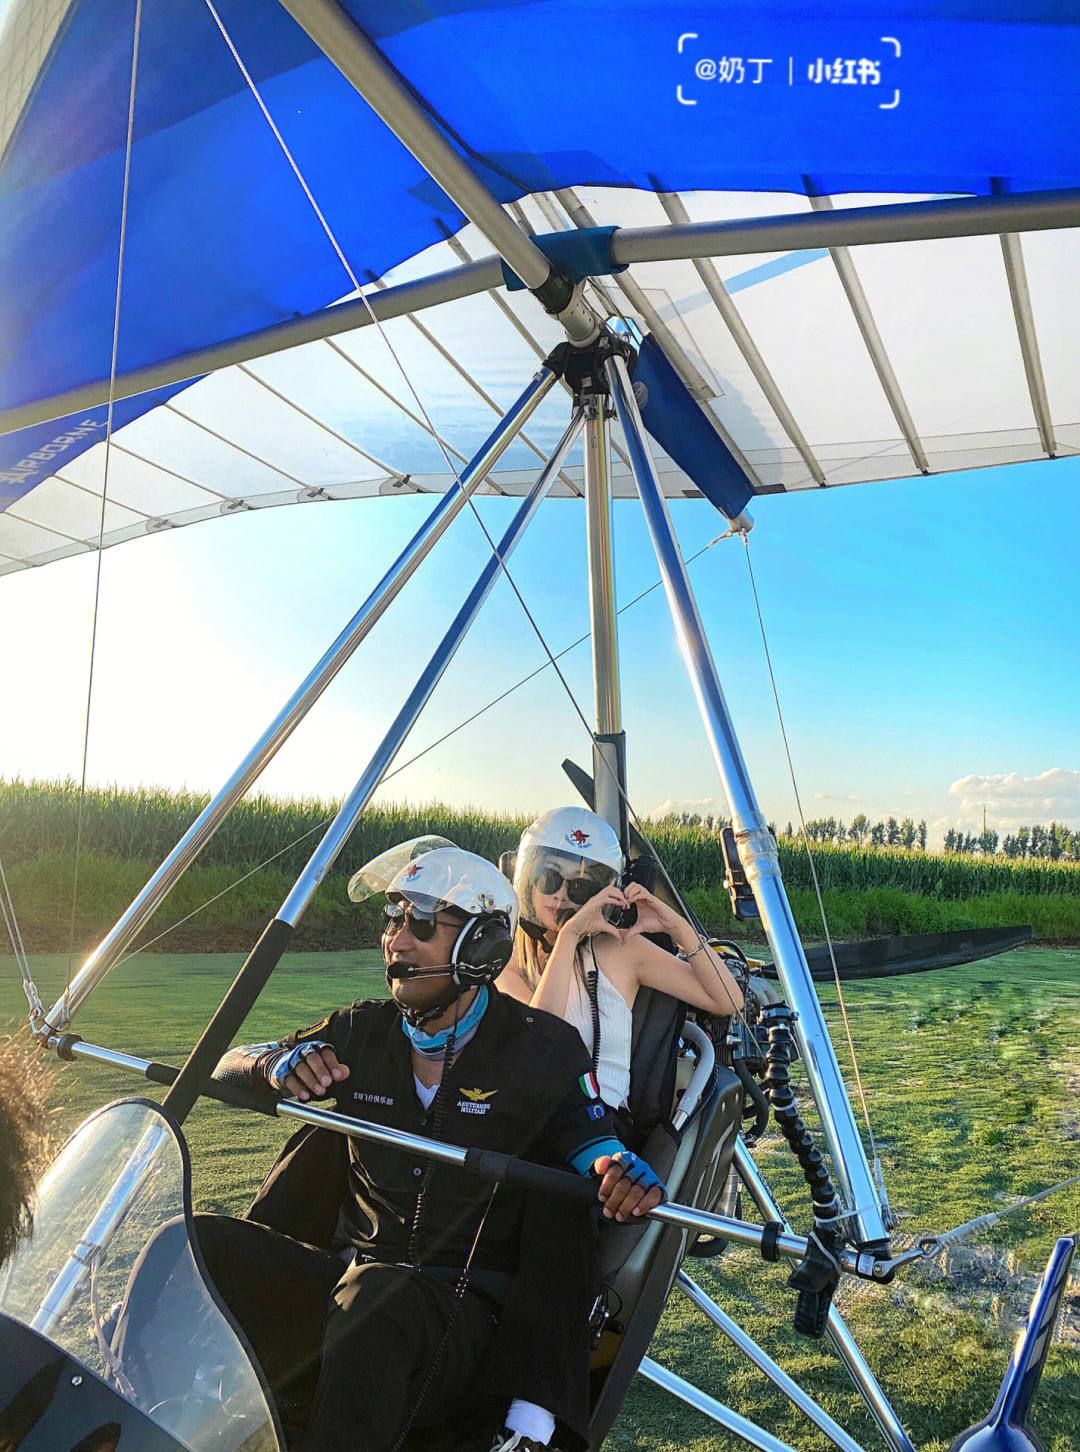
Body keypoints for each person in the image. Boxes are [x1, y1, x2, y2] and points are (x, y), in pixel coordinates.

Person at [130, 843, 665, 1452]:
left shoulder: (541, 1046)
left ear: (482, 948)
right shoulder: (365, 1029)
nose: (396, 941)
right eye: (392, 919)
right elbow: (227, 1064)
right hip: (352, 1292)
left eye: (420, 924)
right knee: (189, 1243)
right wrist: (277, 1065)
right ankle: (132, 1420)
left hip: (460, 1324)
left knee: (378, 1299)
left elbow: (591, 1139)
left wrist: (616, 1169)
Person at [497, 808, 743, 1127]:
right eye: (549, 877)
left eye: (581, 887)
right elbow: (543, 1043)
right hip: (531, 1123)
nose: (560, 895)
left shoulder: (621, 951)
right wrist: (569, 937)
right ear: (529, 879)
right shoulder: (508, 959)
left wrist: (678, 928)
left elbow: (727, 1000)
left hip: (601, 1126)